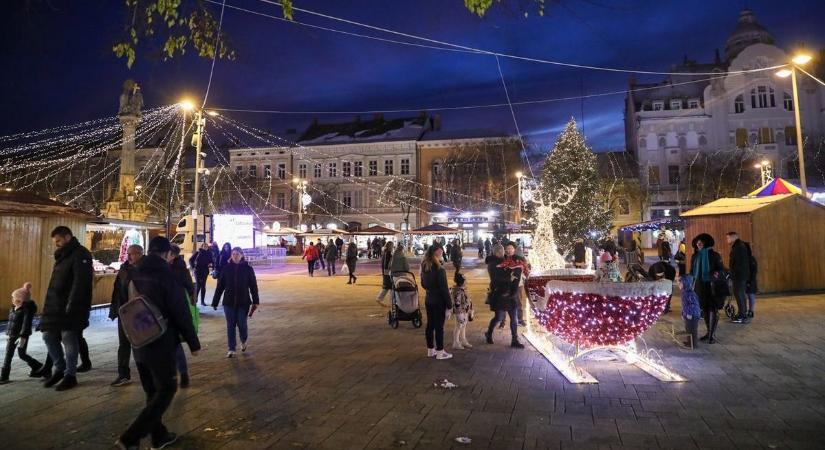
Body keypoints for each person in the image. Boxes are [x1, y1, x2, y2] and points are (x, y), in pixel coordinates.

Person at [115, 236, 200, 450]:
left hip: (137, 339)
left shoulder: (132, 273)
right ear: (167, 254)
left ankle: (159, 436)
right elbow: (180, 311)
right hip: (160, 341)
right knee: (166, 388)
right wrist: (193, 342)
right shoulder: (165, 275)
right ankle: (130, 437)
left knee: (152, 392)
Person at [39, 226, 93, 391]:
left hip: (71, 307)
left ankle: (70, 374)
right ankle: (59, 368)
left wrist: (73, 305)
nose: (56, 244)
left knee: (69, 338)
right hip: (56, 306)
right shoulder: (63, 255)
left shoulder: (80, 254)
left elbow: (80, 283)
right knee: (48, 335)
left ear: (68, 237)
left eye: (58, 241)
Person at [212, 247, 260, 358]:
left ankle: (243, 340)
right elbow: (220, 287)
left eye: (237, 254)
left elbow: (253, 286)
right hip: (228, 302)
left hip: (243, 302)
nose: (235, 256)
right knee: (230, 325)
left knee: (242, 324)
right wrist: (215, 301)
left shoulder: (248, 269)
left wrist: (256, 301)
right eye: (233, 254)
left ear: (242, 255)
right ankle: (231, 348)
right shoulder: (226, 269)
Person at [109, 244, 144, 387]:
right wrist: (114, 310)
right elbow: (117, 291)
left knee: (141, 344)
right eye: (128, 253)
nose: (129, 256)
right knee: (123, 344)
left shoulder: (147, 269)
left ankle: (146, 372)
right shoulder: (124, 270)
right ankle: (123, 374)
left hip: (141, 312)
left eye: (133, 254)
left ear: (141, 254)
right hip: (125, 311)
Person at [1, 283, 43, 384]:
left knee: (22, 354)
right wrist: (9, 333)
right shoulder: (13, 308)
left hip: (21, 336)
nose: (12, 300)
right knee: (8, 354)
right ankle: (4, 376)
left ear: (21, 300)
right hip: (12, 335)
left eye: (14, 298)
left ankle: (39, 367)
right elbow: (11, 322)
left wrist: (23, 336)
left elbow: (26, 324)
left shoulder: (26, 311)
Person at [168, 245, 197, 388]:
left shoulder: (180, 269)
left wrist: (191, 301)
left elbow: (190, 287)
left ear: (172, 255)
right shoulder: (162, 267)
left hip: (176, 309)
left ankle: (183, 373)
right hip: (162, 310)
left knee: (175, 344)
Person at [484, 244, 524, 348]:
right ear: (498, 252)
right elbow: (496, 279)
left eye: (505, 251)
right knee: (499, 317)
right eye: (503, 251)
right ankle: (489, 332)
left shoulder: (506, 260)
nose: (504, 253)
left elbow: (515, 268)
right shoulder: (493, 264)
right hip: (500, 294)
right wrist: (509, 277)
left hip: (511, 293)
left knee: (514, 318)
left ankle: (514, 339)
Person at [690, 233, 727, 344]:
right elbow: (692, 271)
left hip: (712, 285)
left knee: (712, 309)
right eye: (697, 242)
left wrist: (717, 273)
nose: (699, 244)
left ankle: (711, 334)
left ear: (706, 243)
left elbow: (721, 269)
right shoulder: (695, 256)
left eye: (701, 242)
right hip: (700, 285)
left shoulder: (715, 255)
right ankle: (708, 332)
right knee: (705, 309)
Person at [421, 246, 453, 360]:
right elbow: (444, 289)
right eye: (441, 250)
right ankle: (440, 352)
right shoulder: (439, 269)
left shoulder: (424, 266)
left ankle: (430, 350)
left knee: (430, 325)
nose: (443, 252)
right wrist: (450, 305)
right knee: (439, 327)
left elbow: (423, 284)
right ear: (437, 253)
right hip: (439, 300)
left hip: (429, 298)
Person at [726, 231, 751, 324]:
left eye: (728, 238)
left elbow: (737, 263)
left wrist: (732, 273)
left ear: (733, 238)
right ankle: (742, 314)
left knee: (739, 295)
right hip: (741, 275)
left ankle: (742, 316)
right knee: (741, 295)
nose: (727, 240)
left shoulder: (738, 247)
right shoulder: (739, 246)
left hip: (739, 276)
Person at [503, 242, 530, 327]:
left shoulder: (520, 259)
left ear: (514, 249)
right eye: (507, 248)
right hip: (506, 284)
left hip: (518, 285)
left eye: (511, 248)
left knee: (518, 302)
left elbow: (526, 270)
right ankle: (502, 321)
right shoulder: (503, 260)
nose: (509, 250)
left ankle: (520, 319)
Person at [450, 273, 473, 350]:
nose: (466, 281)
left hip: (465, 310)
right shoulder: (457, 291)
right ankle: (456, 342)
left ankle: (463, 340)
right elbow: (457, 303)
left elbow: (468, 299)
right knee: (459, 326)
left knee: (463, 326)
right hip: (460, 312)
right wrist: (459, 314)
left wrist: (470, 309)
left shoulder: (463, 289)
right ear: (462, 281)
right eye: (465, 280)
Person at [680, 274, 702, 349]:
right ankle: (690, 342)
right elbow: (684, 305)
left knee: (692, 329)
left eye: (681, 283)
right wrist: (683, 314)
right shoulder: (685, 292)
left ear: (686, 283)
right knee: (688, 329)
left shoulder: (689, 293)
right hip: (688, 314)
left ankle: (693, 344)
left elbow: (693, 305)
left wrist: (689, 313)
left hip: (693, 315)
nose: (679, 285)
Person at [746, 242, 758, 318]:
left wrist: (751, 281)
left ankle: (751, 311)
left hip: (750, 280)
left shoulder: (751, 259)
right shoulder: (744, 258)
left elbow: (754, 271)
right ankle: (746, 311)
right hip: (745, 280)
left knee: (751, 296)